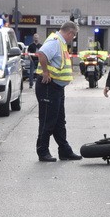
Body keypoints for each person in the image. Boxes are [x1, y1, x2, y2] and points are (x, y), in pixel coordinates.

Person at [34, 21, 82, 162]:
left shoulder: (61, 43)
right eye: (73, 36)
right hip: (48, 86)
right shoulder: (55, 41)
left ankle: (64, 150)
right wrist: (45, 72)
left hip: (57, 87)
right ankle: (43, 151)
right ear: (70, 33)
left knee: (59, 121)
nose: (73, 39)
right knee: (47, 121)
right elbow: (41, 53)